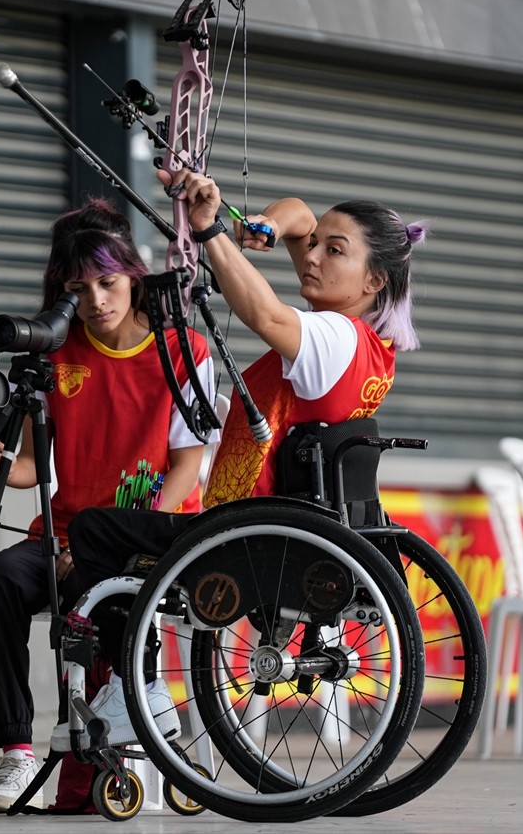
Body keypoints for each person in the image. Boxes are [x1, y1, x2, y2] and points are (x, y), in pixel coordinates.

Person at [67, 169, 426, 707]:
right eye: (316, 247)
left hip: (249, 534)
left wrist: (210, 231)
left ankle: (133, 689)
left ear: (373, 281)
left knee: (95, 529)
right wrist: (268, 225)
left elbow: (261, 313)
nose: (312, 257)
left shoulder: (331, 336)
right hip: (282, 532)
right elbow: (302, 213)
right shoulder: (370, 347)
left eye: (335, 251)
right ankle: (133, 685)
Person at [0, 197, 217, 813]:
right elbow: (33, 467)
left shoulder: (184, 351)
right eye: (81, 288)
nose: (98, 300)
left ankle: (112, 740)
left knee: (101, 595)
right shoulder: (54, 354)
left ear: (133, 274)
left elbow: (188, 467)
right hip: (63, 534)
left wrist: (123, 535)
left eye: (109, 282)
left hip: (149, 541)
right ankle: (17, 749)